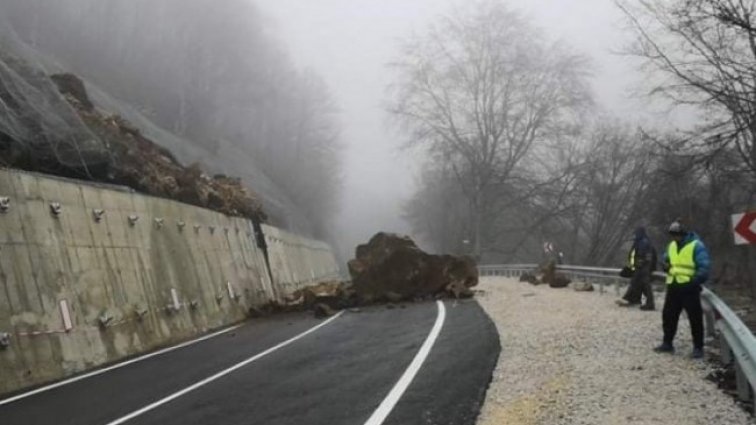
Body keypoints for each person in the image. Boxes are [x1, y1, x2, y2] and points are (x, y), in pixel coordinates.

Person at [654, 220, 710, 359]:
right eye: (672, 235)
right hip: (673, 285)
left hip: (689, 287)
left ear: (683, 234)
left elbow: (704, 267)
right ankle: (667, 343)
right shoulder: (671, 245)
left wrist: (695, 281)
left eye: (676, 235)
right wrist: (665, 266)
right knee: (668, 316)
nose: (674, 237)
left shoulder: (696, 246)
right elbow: (666, 259)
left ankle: (698, 347)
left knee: (695, 318)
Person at [616, 227, 656, 310]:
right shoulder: (638, 242)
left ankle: (649, 303)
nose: (634, 235)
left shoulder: (644, 242)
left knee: (644, 285)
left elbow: (646, 256)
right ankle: (632, 299)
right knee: (636, 283)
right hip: (638, 267)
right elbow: (634, 255)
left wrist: (641, 263)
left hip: (643, 267)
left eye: (636, 233)